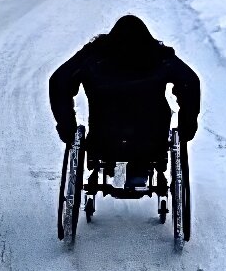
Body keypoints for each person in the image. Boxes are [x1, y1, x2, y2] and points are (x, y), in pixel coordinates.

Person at [49, 15, 200, 189]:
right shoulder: (159, 56)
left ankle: (122, 164)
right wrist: (186, 128)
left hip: (103, 139)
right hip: (151, 141)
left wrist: (67, 127)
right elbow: (190, 83)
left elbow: (59, 81)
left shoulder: (93, 56)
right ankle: (139, 168)